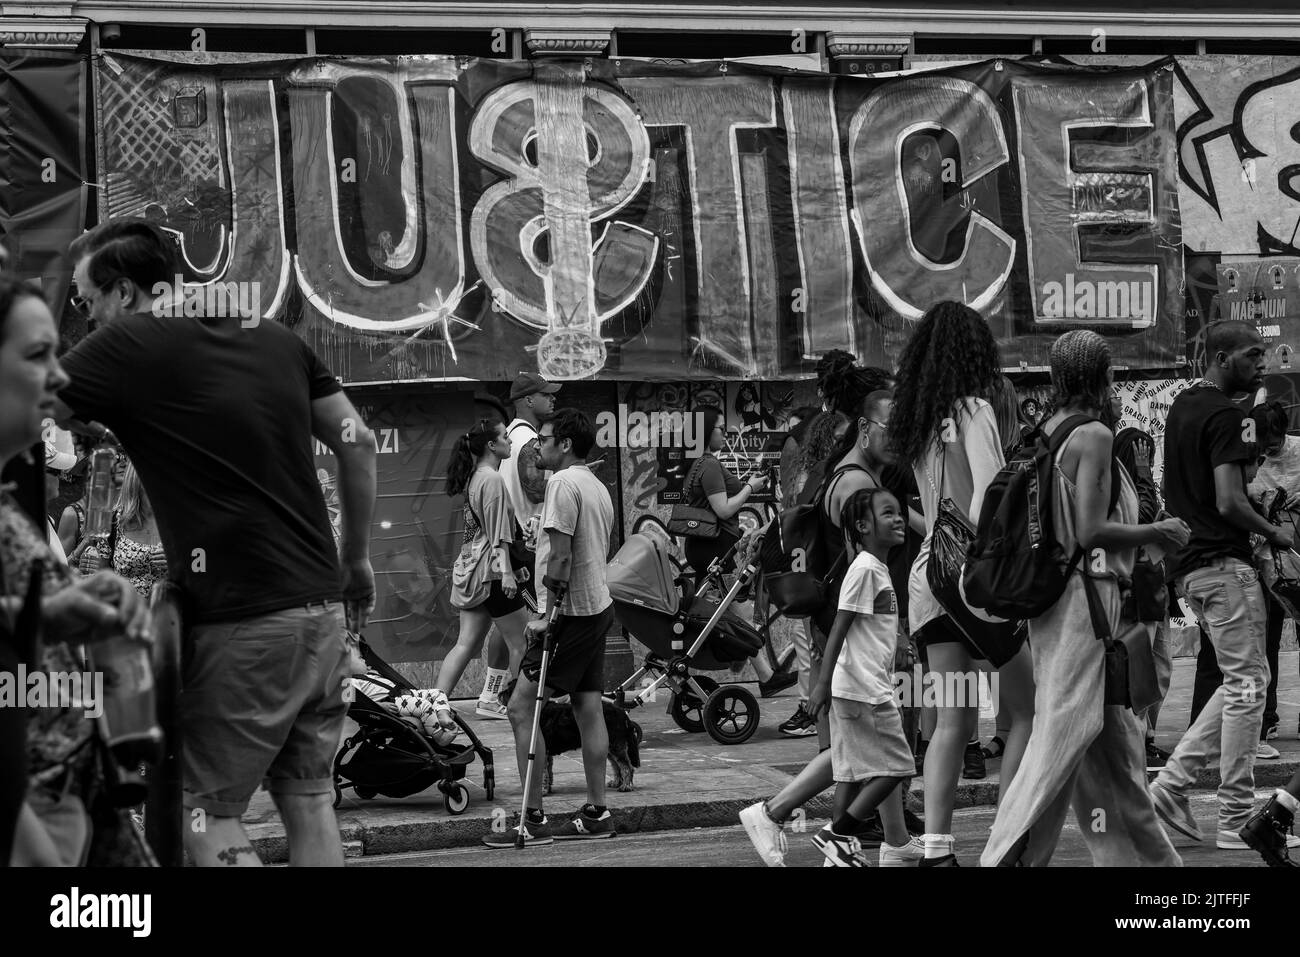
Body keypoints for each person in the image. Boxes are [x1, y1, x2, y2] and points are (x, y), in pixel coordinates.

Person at [54, 218, 377, 867]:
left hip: (243, 618)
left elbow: (29, 402)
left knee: (199, 811)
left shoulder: (128, 342)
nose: (87, 322)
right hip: (323, 612)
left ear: (123, 292)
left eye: (87, 303)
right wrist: (356, 559)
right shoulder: (274, 337)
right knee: (310, 800)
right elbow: (359, 441)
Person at [980, 330, 1188, 866]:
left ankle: (1146, 867)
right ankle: (1003, 853)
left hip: (1061, 608)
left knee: (1110, 752)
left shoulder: (1048, 429)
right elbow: (1093, 530)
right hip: (1086, 609)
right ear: (1103, 375)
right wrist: (1157, 531)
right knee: (1060, 738)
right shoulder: (1093, 434)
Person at [0, 273, 151, 865]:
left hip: (72, 792)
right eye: (39, 355)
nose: (60, 377)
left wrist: (72, 608)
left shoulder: (11, 506)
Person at [740, 381, 923, 865]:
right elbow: (856, 576)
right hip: (857, 646)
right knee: (877, 753)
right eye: (891, 428)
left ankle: (881, 841)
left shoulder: (857, 475)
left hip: (858, 644)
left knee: (852, 755)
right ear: (865, 428)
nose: (899, 439)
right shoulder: (859, 486)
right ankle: (803, 821)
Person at [887, 301, 1036, 866]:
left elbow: (935, 506)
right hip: (974, 581)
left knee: (951, 719)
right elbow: (987, 498)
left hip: (929, 584)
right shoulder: (974, 410)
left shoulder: (919, 419)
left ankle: (937, 849)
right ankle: (1005, 838)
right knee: (1025, 709)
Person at [1148, 320, 1300, 856]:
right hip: (1224, 566)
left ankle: (1171, 786)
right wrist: (1274, 531)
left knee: (1244, 682)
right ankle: (1234, 814)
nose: (1263, 365)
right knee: (1248, 687)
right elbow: (1229, 501)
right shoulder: (1228, 416)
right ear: (1219, 356)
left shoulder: (1183, 407)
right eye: (1252, 355)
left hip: (1192, 568)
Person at [483, 409, 617, 847]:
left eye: (543, 439)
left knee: (522, 708)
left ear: (564, 445)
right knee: (587, 706)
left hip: (569, 614)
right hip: (597, 608)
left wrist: (546, 615)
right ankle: (598, 812)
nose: (536, 446)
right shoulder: (595, 485)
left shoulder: (561, 483)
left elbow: (559, 558)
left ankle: (532, 818)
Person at [807, 487, 924, 866]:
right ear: (862, 525)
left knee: (850, 772)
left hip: (861, 686)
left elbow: (872, 628)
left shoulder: (876, 567)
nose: (898, 519)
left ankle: (836, 855)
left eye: (898, 511)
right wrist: (821, 685)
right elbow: (840, 627)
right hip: (863, 690)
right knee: (899, 766)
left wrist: (901, 643)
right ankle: (837, 834)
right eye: (887, 513)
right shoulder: (864, 569)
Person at [680, 406, 791, 696]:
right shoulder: (710, 466)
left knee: (733, 612)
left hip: (707, 548)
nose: (725, 433)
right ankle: (748, 666)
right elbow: (723, 508)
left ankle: (762, 673)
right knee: (733, 614)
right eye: (720, 428)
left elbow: (712, 512)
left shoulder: (696, 465)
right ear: (706, 432)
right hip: (716, 553)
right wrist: (750, 487)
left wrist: (736, 530)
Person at [435, 418, 530, 718]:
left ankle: (433, 705)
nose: (510, 441)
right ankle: (522, 705)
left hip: (477, 571)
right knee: (521, 642)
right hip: (493, 574)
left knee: (465, 643)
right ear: (492, 445)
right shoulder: (491, 479)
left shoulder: (478, 476)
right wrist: (507, 574)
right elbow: (498, 534)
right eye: (505, 437)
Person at [776, 410, 847, 737]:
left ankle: (813, 711)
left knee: (807, 645)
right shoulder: (820, 477)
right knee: (809, 646)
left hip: (803, 568)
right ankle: (811, 710)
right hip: (815, 570)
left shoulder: (807, 474)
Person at [1113, 425, 1176, 768]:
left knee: (1161, 669)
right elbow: (1141, 519)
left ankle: (1148, 736)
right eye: (1141, 454)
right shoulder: (1128, 489)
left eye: (1149, 454)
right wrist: (1141, 477)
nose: (1147, 460)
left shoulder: (1141, 485)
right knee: (1142, 674)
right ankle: (1138, 741)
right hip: (1138, 596)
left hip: (1155, 592)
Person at [1247, 399, 1298, 755]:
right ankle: (1266, 718)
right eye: (1265, 442)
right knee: (1265, 644)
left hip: (1298, 560)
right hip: (1264, 564)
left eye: (1276, 439)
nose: (1271, 448)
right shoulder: (1250, 461)